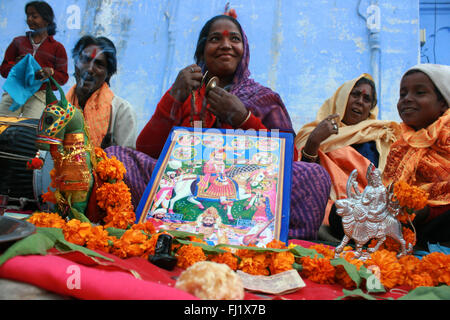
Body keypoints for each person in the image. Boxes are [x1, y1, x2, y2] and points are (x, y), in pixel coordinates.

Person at [106, 14, 331, 240]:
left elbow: (288, 160)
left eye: (234, 39)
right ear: (202, 50)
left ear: (245, 50)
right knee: (115, 158)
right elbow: (146, 149)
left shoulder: (264, 98)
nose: (226, 45)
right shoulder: (185, 92)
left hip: (245, 184)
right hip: (187, 180)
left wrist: (243, 118)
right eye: (215, 39)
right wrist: (174, 96)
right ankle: (149, 227)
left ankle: (275, 243)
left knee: (314, 176)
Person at [294, 74, 400, 239]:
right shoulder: (314, 132)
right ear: (342, 97)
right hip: (324, 210)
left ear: (371, 107)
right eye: (355, 94)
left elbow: (385, 183)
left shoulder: (381, 138)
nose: (359, 101)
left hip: (367, 213)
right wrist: (315, 140)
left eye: (366, 99)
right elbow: (302, 178)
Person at [382, 63, 450, 248]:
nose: (407, 99)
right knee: (340, 214)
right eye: (402, 94)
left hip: (438, 221)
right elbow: (388, 190)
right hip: (404, 223)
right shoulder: (400, 146)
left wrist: (425, 211)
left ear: (443, 102)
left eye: (420, 93)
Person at [66, 35, 137, 149]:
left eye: (99, 64)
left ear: (108, 73)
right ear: (75, 64)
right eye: (85, 60)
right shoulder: (60, 108)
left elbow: (125, 161)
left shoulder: (122, 111)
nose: (90, 69)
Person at [0, 1, 68, 118]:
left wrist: (50, 72)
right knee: (3, 124)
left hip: (39, 95)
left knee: (31, 129)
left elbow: (62, 77)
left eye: (34, 16)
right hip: (15, 90)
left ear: (47, 20)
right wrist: (16, 67)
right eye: (28, 16)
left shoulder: (57, 48)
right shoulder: (18, 42)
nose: (29, 19)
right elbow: (3, 69)